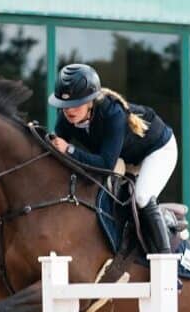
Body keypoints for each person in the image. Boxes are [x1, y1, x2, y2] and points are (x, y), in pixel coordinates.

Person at [48, 63, 178, 255]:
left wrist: (70, 150)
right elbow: (57, 152)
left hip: (157, 150)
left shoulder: (112, 114)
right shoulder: (67, 117)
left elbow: (105, 164)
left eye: (76, 104)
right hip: (122, 156)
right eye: (65, 105)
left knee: (142, 197)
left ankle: (167, 262)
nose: (69, 111)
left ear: (91, 101)